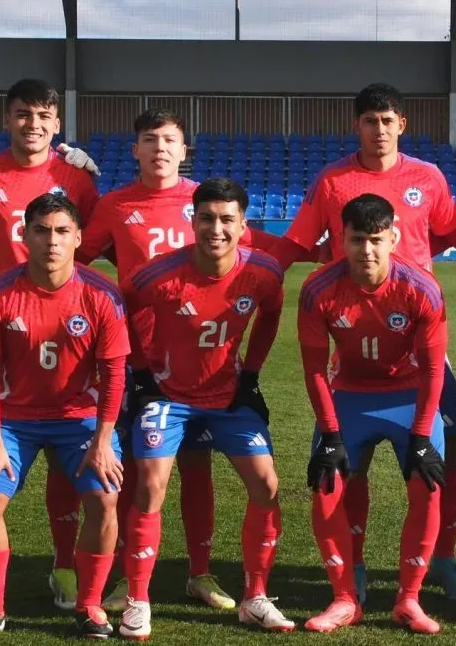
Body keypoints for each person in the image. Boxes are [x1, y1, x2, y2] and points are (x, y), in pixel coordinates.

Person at [272, 82, 456, 607]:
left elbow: (454, 234)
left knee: (443, 457)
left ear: (402, 125)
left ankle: (442, 561)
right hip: (353, 325)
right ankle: (354, 567)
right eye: (370, 121)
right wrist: (258, 274)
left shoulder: (427, 177)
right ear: (357, 125)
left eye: (387, 120)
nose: (378, 130)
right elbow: (299, 241)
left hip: (418, 331)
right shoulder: (333, 181)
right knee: (351, 462)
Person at [77, 107, 301, 612]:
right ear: (134, 149)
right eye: (149, 139)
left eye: (169, 140)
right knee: (138, 473)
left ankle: (199, 573)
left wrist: (319, 249)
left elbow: (256, 257)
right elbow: (81, 259)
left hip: (206, 360)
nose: (159, 148)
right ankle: (129, 579)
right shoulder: (115, 205)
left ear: (184, 150)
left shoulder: (206, 201)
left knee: (197, 469)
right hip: (140, 360)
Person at [0, 78, 102, 612]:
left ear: (56, 123)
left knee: (65, 459)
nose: (32, 124)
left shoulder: (76, 178)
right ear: (6, 118)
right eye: (22, 114)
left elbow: (93, 243)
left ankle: (64, 565)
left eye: (42, 115)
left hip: (65, 335)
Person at [118, 178, 292, 639]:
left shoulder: (264, 272)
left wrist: (251, 374)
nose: (217, 229)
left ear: (243, 224)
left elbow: (272, 312)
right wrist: (142, 374)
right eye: (207, 219)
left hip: (229, 397)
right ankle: (138, 600)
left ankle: (255, 598)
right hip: (168, 397)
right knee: (150, 485)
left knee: (266, 482)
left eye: (227, 220)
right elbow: (122, 308)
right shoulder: (159, 274)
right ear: (192, 221)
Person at [0, 193, 129, 640]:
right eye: (42, 230)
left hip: (80, 417)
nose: (52, 241)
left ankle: (89, 604)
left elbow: (114, 374)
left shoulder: (102, 294)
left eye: (62, 231)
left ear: (78, 238)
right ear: (25, 235)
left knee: (105, 498)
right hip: (13, 419)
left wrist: (103, 440)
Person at [299, 194, 449, 634]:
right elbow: (314, 370)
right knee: (326, 485)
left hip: (409, 395)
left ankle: (409, 599)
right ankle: (344, 598)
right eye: (357, 239)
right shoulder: (318, 288)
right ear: (341, 240)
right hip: (349, 395)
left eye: (376, 240)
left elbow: (434, 370)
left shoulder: (421, 287)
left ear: (394, 239)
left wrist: (420, 436)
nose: (367, 250)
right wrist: (330, 434)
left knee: (428, 483)